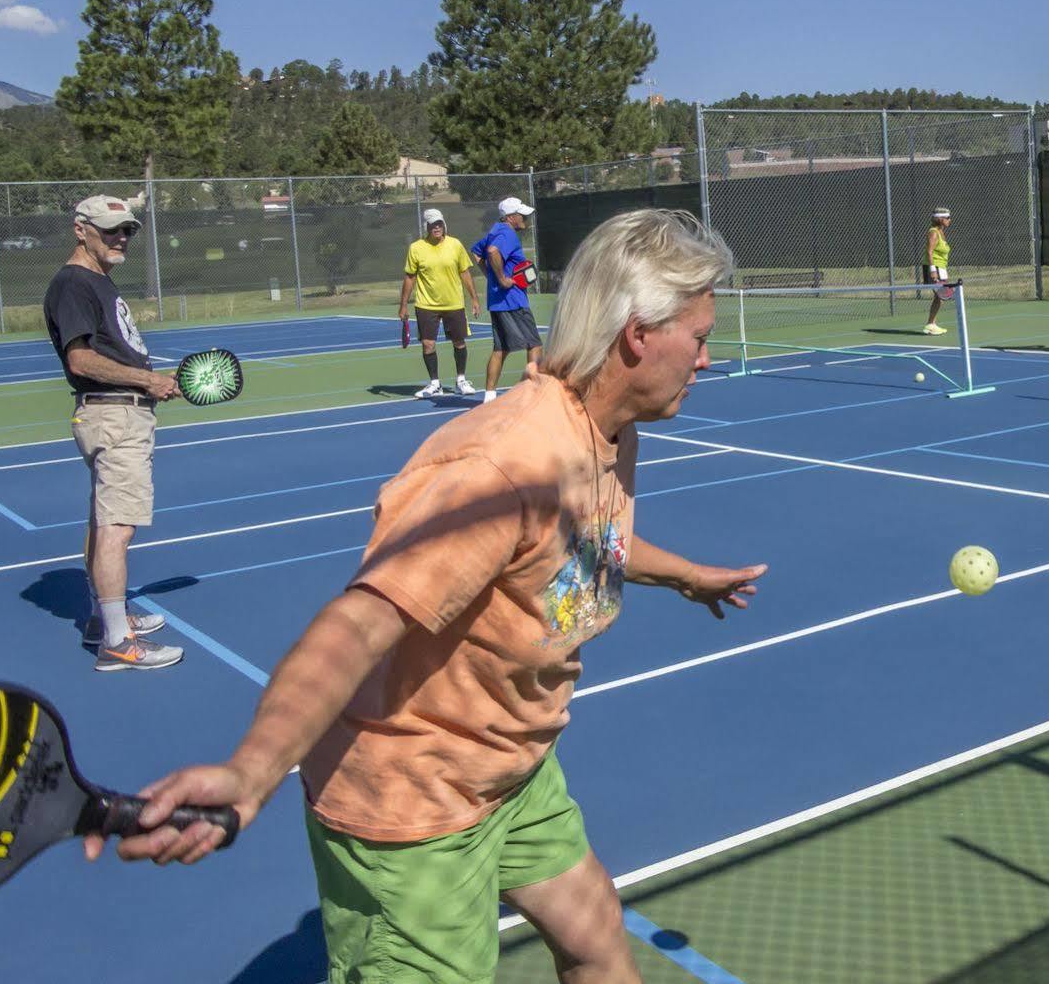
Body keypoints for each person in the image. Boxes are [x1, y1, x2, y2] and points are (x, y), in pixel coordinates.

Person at [87, 209, 769, 984]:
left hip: (509, 762)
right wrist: (251, 772)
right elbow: (358, 622)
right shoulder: (504, 464)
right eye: (700, 336)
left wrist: (683, 573)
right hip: (411, 796)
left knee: (595, 940)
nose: (707, 359)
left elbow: (580, 540)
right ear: (638, 336)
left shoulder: (611, 428)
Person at [43, 195, 185, 672]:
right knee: (117, 528)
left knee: (105, 522)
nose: (121, 238)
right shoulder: (74, 284)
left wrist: (151, 382)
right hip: (114, 417)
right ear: (80, 230)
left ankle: (105, 619)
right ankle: (118, 644)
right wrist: (147, 380)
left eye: (126, 230)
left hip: (119, 412)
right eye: (110, 230)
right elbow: (79, 360)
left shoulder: (97, 281)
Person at [399, 209, 480, 397]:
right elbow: (410, 277)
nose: (436, 227)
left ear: (443, 225)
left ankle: (461, 380)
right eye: (432, 224)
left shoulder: (455, 245)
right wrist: (403, 304)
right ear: (426, 226)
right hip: (426, 305)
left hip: (454, 303)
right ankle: (435, 384)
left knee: (459, 342)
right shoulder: (416, 248)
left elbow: (465, 273)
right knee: (428, 344)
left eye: (439, 224)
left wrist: (474, 298)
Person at [474, 196, 545, 402]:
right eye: (522, 215)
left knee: (500, 349)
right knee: (534, 345)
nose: (525, 218)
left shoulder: (495, 231)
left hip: (497, 302)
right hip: (513, 301)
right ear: (512, 217)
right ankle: (532, 393)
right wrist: (502, 279)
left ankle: (489, 396)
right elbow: (492, 251)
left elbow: (477, 253)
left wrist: (490, 275)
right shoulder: (507, 233)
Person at [921, 206, 954, 335]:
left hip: (941, 268)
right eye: (947, 218)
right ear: (940, 219)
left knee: (939, 297)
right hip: (934, 268)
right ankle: (931, 324)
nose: (949, 220)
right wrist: (933, 270)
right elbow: (929, 252)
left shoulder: (941, 232)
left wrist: (943, 270)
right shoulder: (933, 232)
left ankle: (931, 324)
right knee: (941, 295)